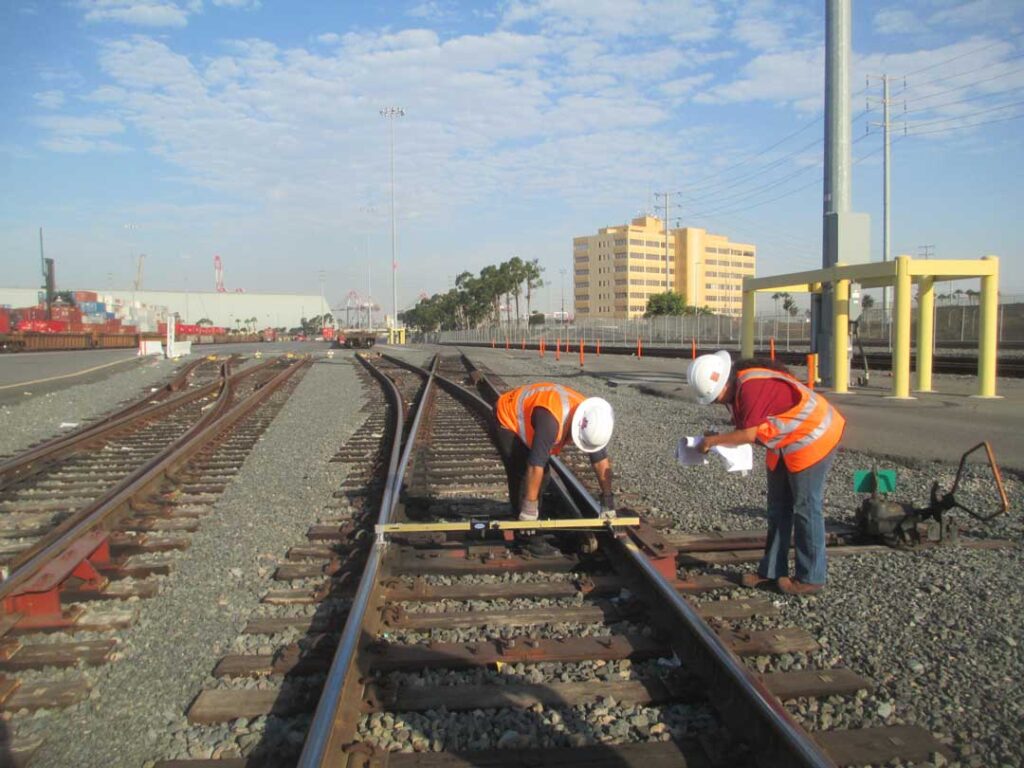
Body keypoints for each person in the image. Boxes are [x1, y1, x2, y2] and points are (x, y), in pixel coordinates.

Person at [688, 351, 845, 595]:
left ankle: (811, 577)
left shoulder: (751, 386)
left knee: (806, 507)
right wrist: (717, 439)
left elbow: (750, 434)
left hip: (814, 436)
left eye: (716, 398)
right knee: (778, 507)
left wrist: (712, 442)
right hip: (785, 443)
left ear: (724, 384)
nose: (718, 403)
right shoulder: (739, 387)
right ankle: (771, 571)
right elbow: (748, 426)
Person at [493, 382, 616, 541]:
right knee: (524, 476)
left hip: (536, 413)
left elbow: (600, 462)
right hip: (507, 418)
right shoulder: (551, 422)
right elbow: (534, 465)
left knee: (542, 479)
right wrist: (529, 509)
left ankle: (534, 514)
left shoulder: (591, 418)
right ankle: (526, 536)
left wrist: (608, 501)